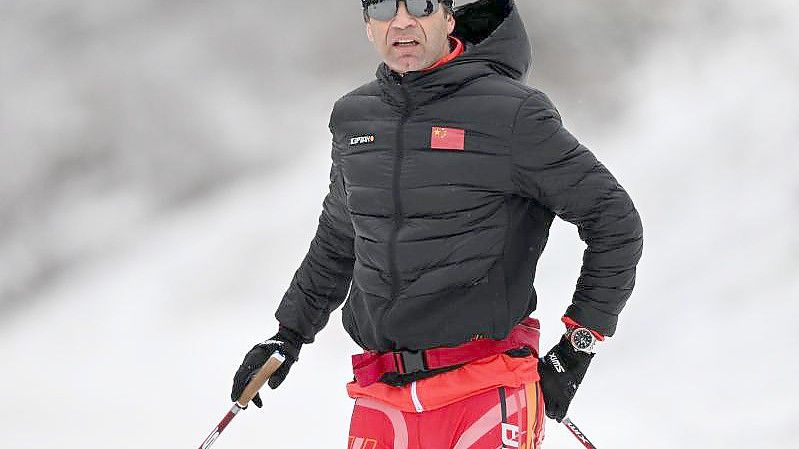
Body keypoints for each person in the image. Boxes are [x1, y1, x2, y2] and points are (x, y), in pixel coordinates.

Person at [231, 1, 643, 448]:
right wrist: (288, 335)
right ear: (369, 26)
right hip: (382, 393)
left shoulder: (511, 114)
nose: (402, 21)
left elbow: (614, 221)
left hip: (486, 388)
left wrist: (577, 349)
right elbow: (339, 239)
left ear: (448, 19)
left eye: (421, 6)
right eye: (385, 7)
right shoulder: (356, 119)